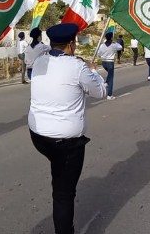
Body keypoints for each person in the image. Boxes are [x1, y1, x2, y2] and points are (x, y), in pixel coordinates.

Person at [28, 23, 106, 234]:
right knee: (63, 194)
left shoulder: (39, 62)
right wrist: (93, 70)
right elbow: (100, 92)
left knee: (58, 173)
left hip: (38, 136)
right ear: (71, 45)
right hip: (65, 143)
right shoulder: (77, 67)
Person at [96, 32, 123, 100]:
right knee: (111, 78)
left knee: (110, 75)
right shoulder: (114, 45)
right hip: (110, 62)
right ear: (111, 38)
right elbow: (120, 47)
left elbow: (98, 53)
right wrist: (115, 42)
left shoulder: (102, 45)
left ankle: (106, 82)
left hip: (103, 62)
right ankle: (109, 94)